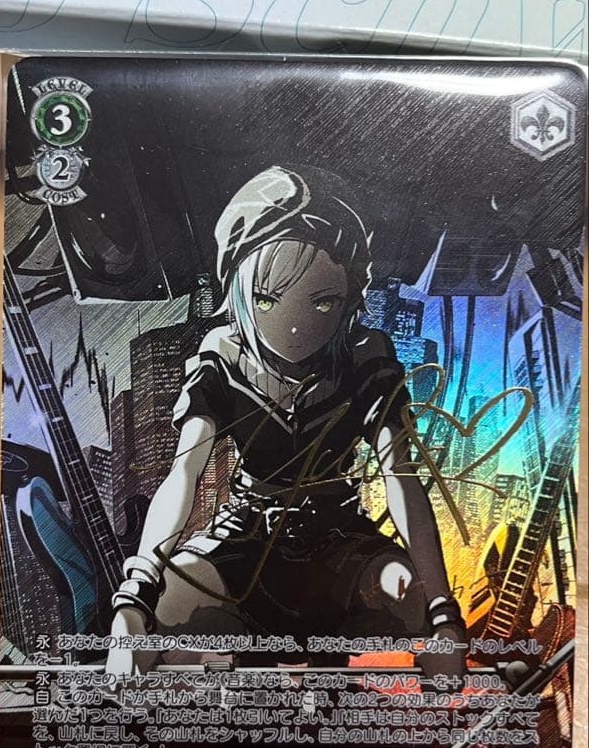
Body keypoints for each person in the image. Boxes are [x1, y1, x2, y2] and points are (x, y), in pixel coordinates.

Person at [107, 166, 466, 678]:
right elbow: (183, 473)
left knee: (404, 593)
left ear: (349, 297)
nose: (295, 326)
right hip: (242, 543)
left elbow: (400, 475)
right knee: (168, 608)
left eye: (322, 301)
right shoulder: (223, 352)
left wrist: (442, 615)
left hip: (341, 544)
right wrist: (135, 598)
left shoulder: (365, 355)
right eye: (267, 299)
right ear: (239, 290)